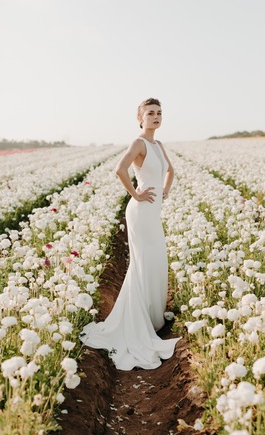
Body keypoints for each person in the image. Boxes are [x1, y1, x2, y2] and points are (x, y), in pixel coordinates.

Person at [80, 98, 181, 370]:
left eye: (159, 113)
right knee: (144, 262)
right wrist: (136, 193)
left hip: (152, 212)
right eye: (150, 113)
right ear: (140, 118)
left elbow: (170, 170)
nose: (156, 117)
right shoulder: (138, 143)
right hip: (140, 212)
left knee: (156, 259)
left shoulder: (158, 145)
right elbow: (119, 169)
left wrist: (165, 190)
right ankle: (144, 323)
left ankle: (153, 319)